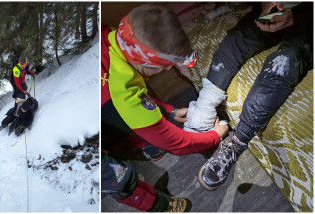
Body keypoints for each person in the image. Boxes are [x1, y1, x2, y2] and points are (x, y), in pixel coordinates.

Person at [101, 4, 229, 212]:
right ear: (141, 61)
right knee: (121, 178)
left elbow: (137, 91)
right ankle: (159, 205)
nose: (169, 69)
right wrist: (215, 136)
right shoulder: (123, 96)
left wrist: (168, 110)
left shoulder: (112, 38)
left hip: (108, 110)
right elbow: (178, 143)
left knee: (128, 124)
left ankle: (148, 143)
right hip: (96, 138)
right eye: (164, 66)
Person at [183, 2, 313, 190]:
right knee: (234, 42)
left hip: (309, 24)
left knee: (285, 62)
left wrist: (296, 17)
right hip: (274, 15)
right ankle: (204, 107)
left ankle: (237, 143)